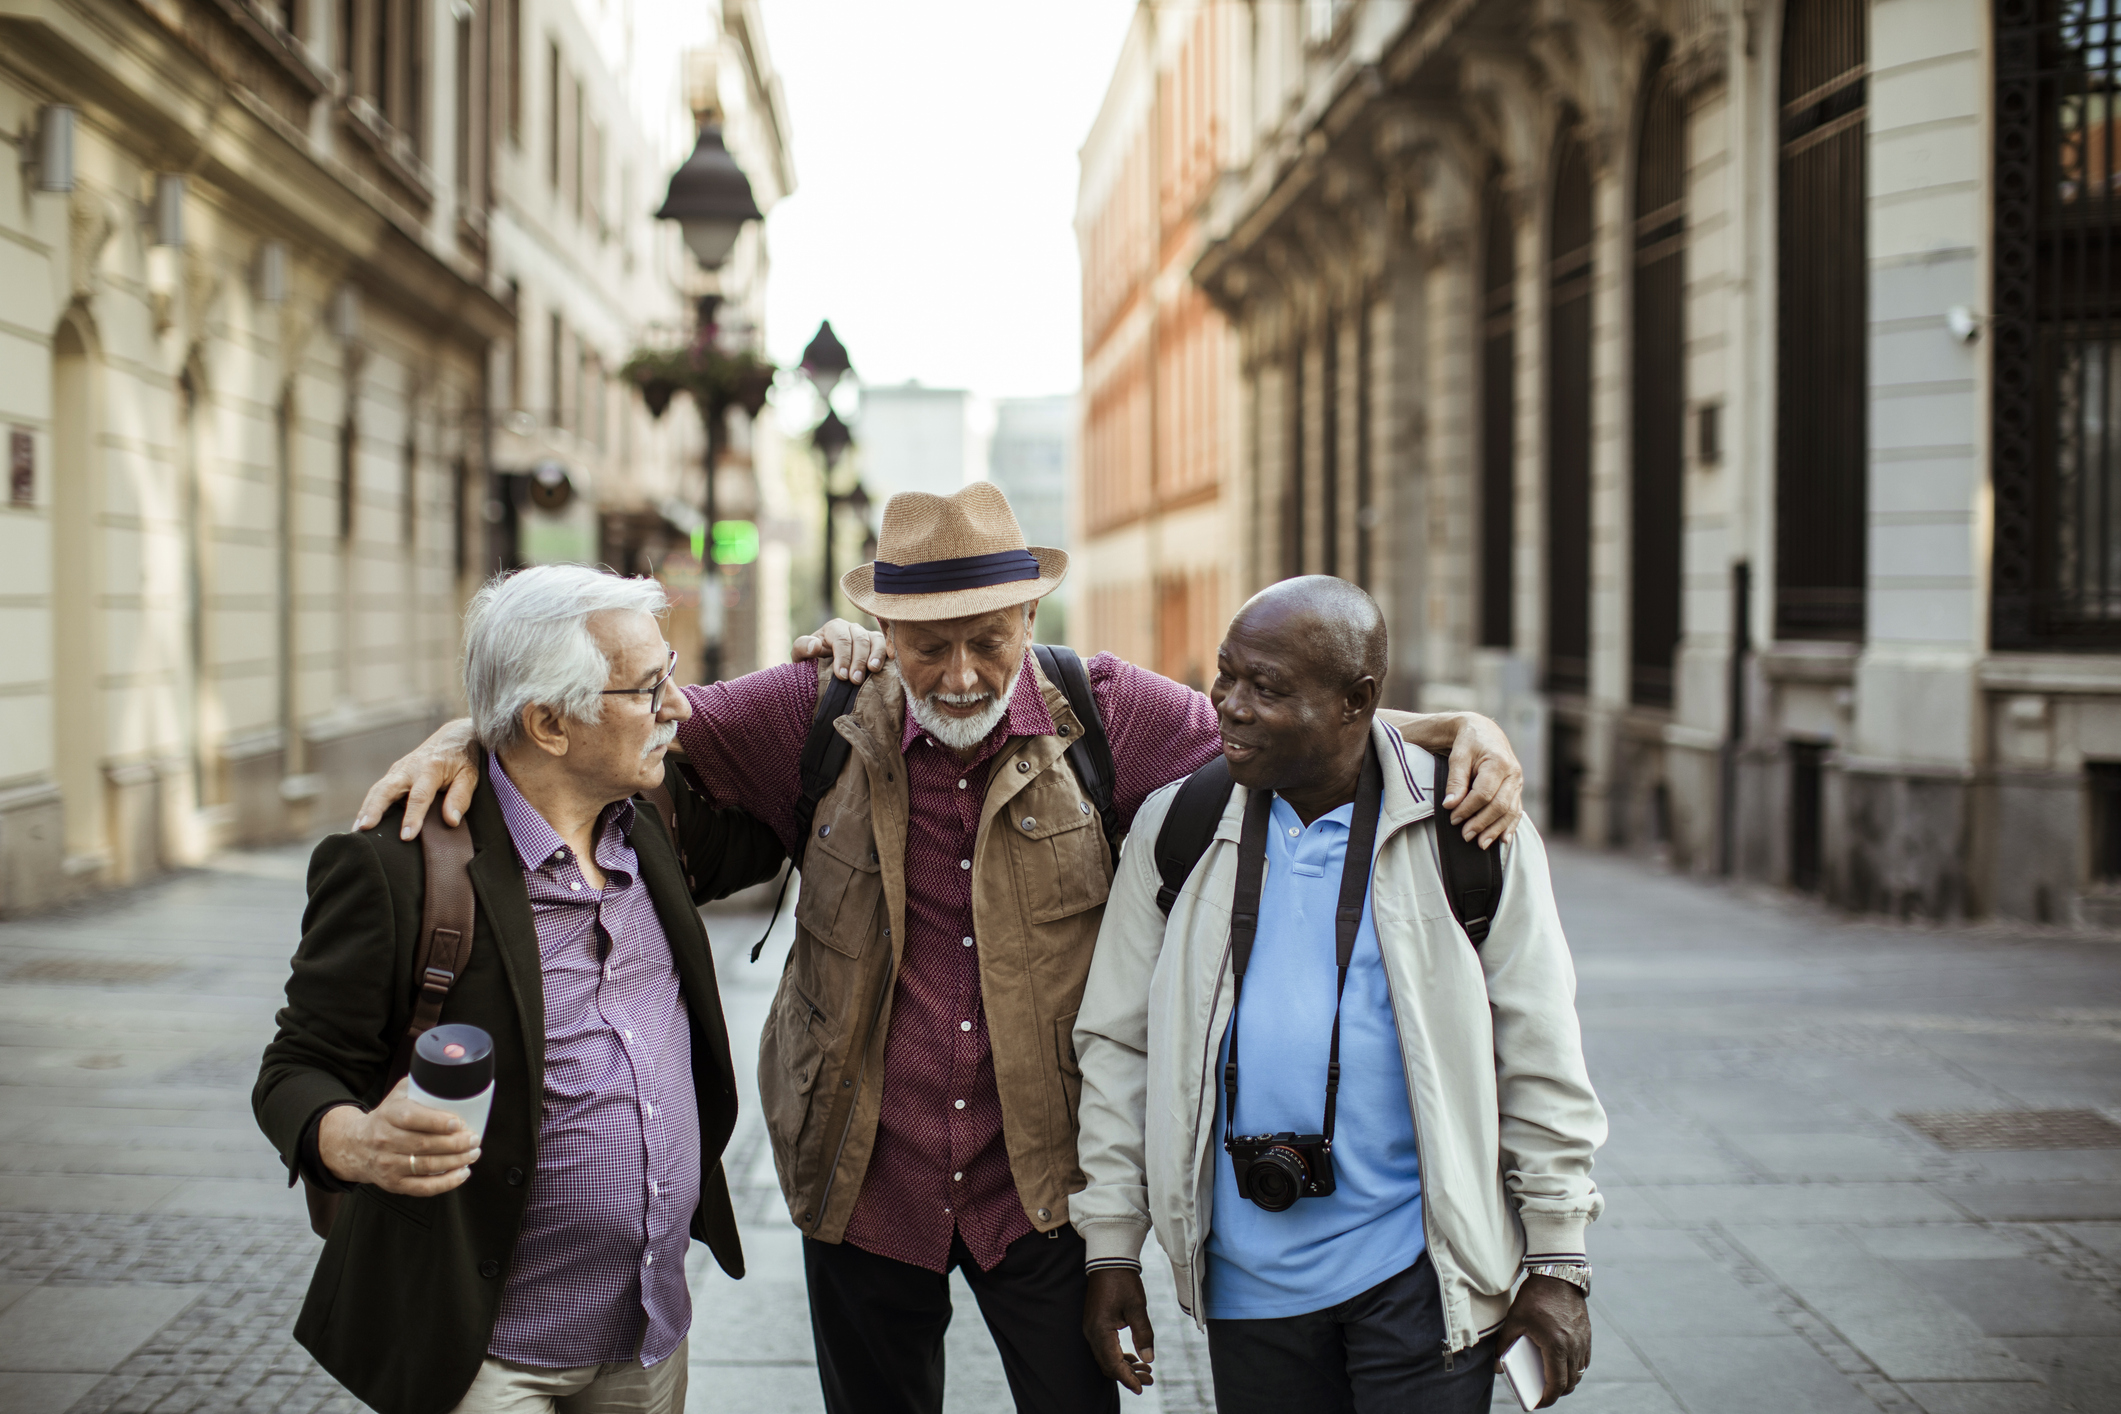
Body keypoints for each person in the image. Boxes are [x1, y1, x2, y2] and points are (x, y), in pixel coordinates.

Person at [354, 483, 1530, 1414]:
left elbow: (1288, 717)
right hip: (865, 1181)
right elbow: (592, 716)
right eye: (926, 646)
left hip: (1044, 1189)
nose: (960, 673)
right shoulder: (805, 709)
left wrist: (1447, 727)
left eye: (988, 640)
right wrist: (468, 732)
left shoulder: (1110, 710)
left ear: (1031, 619)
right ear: (881, 629)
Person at [254, 566, 787, 1414]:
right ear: (547, 722)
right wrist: (352, 1142)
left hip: (647, 1333)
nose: (677, 707)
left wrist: (853, 651)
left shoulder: (659, 822)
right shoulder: (396, 867)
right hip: (486, 1355)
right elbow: (296, 1067)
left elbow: (800, 768)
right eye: (649, 689)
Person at [1073, 577, 1606, 1414]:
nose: (1231, 707)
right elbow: (1117, 1044)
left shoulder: (1467, 831)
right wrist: (1110, 1248)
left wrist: (1558, 1261)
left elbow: (1538, 1047)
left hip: (1421, 1275)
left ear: (1357, 701)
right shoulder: (1177, 825)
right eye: (1226, 676)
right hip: (1247, 1284)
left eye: (1268, 688)